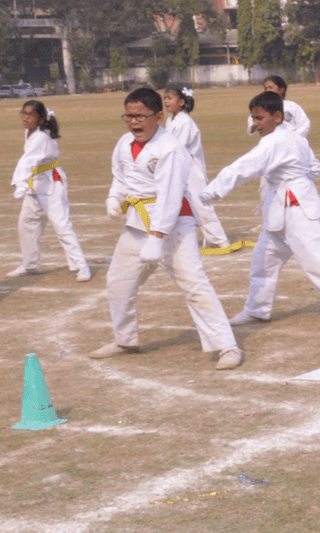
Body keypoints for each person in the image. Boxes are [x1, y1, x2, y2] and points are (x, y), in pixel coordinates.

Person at [91, 88, 241, 368]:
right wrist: (115, 197)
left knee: (194, 284)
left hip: (173, 226)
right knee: (118, 282)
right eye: (129, 116)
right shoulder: (124, 143)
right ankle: (125, 340)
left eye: (141, 116)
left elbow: (171, 196)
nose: (134, 122)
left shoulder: (170, 149)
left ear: (158, 117)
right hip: (136, 224)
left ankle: (227, 346)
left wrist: (157, 238)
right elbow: (120, 177)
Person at [204, 90, 320, 331]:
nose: (255, 124)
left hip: (298, 210)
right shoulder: (295, 139)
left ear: (278, 116)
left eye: (259, 118)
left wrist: (210, 192)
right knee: (263, 262)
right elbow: (316, 169)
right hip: (282, 208)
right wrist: (294, 176)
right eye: (253, 118)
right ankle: (256, 309)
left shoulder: (275, 141)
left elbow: (242, 168)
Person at [6, 99, 90, 282]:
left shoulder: (41, 138)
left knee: (61, 225)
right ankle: (30, 264)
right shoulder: (30, 133)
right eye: (24, 113)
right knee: (26, 224)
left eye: (31, 115)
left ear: (41, 119)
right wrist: (24, 185)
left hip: (52, 181)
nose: (26, 118)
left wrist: (20, 184)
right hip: (36, 183)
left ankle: (81, 266)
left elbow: (27, 161)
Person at [160, 86, 238, 253]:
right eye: (165, 97)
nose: (166, 101)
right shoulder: (170, 121)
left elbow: (176, 149)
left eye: (169, 98)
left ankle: (221, 241)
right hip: (177, 171)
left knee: (201, 207)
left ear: (181, 102)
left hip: (191, 173)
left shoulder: (186, 123)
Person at [247, 76, 311, 137]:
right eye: (265, 88)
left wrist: (295, 138)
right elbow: (251, 130)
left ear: (281, 90)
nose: (268, 90)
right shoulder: (260, 108)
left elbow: (304, 124)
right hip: (272, 143)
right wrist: (255, 125)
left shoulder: (292, 106)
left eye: (271, 88)